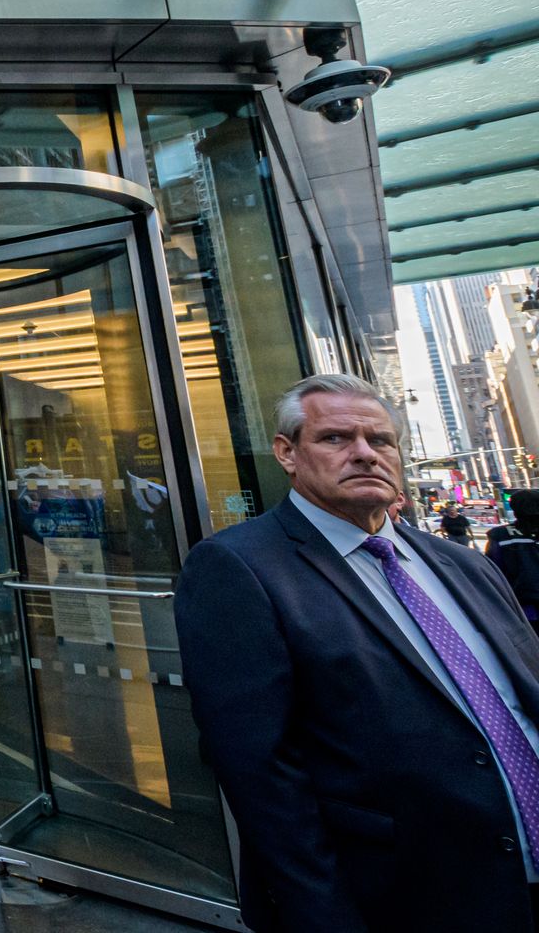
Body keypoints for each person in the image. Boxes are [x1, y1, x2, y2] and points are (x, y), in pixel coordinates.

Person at [175, 374, 539, 932]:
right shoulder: (238, 568)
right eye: (336, 439)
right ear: (287, 453)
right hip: (411, 896)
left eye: (381, 440)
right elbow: (261, 776)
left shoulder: (466, 564)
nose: (365, 454)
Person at [487, 490, 539, 630]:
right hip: (526, 608)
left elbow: (493, 572)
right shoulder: (502, 537)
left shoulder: (502, 536)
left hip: (523, 610)